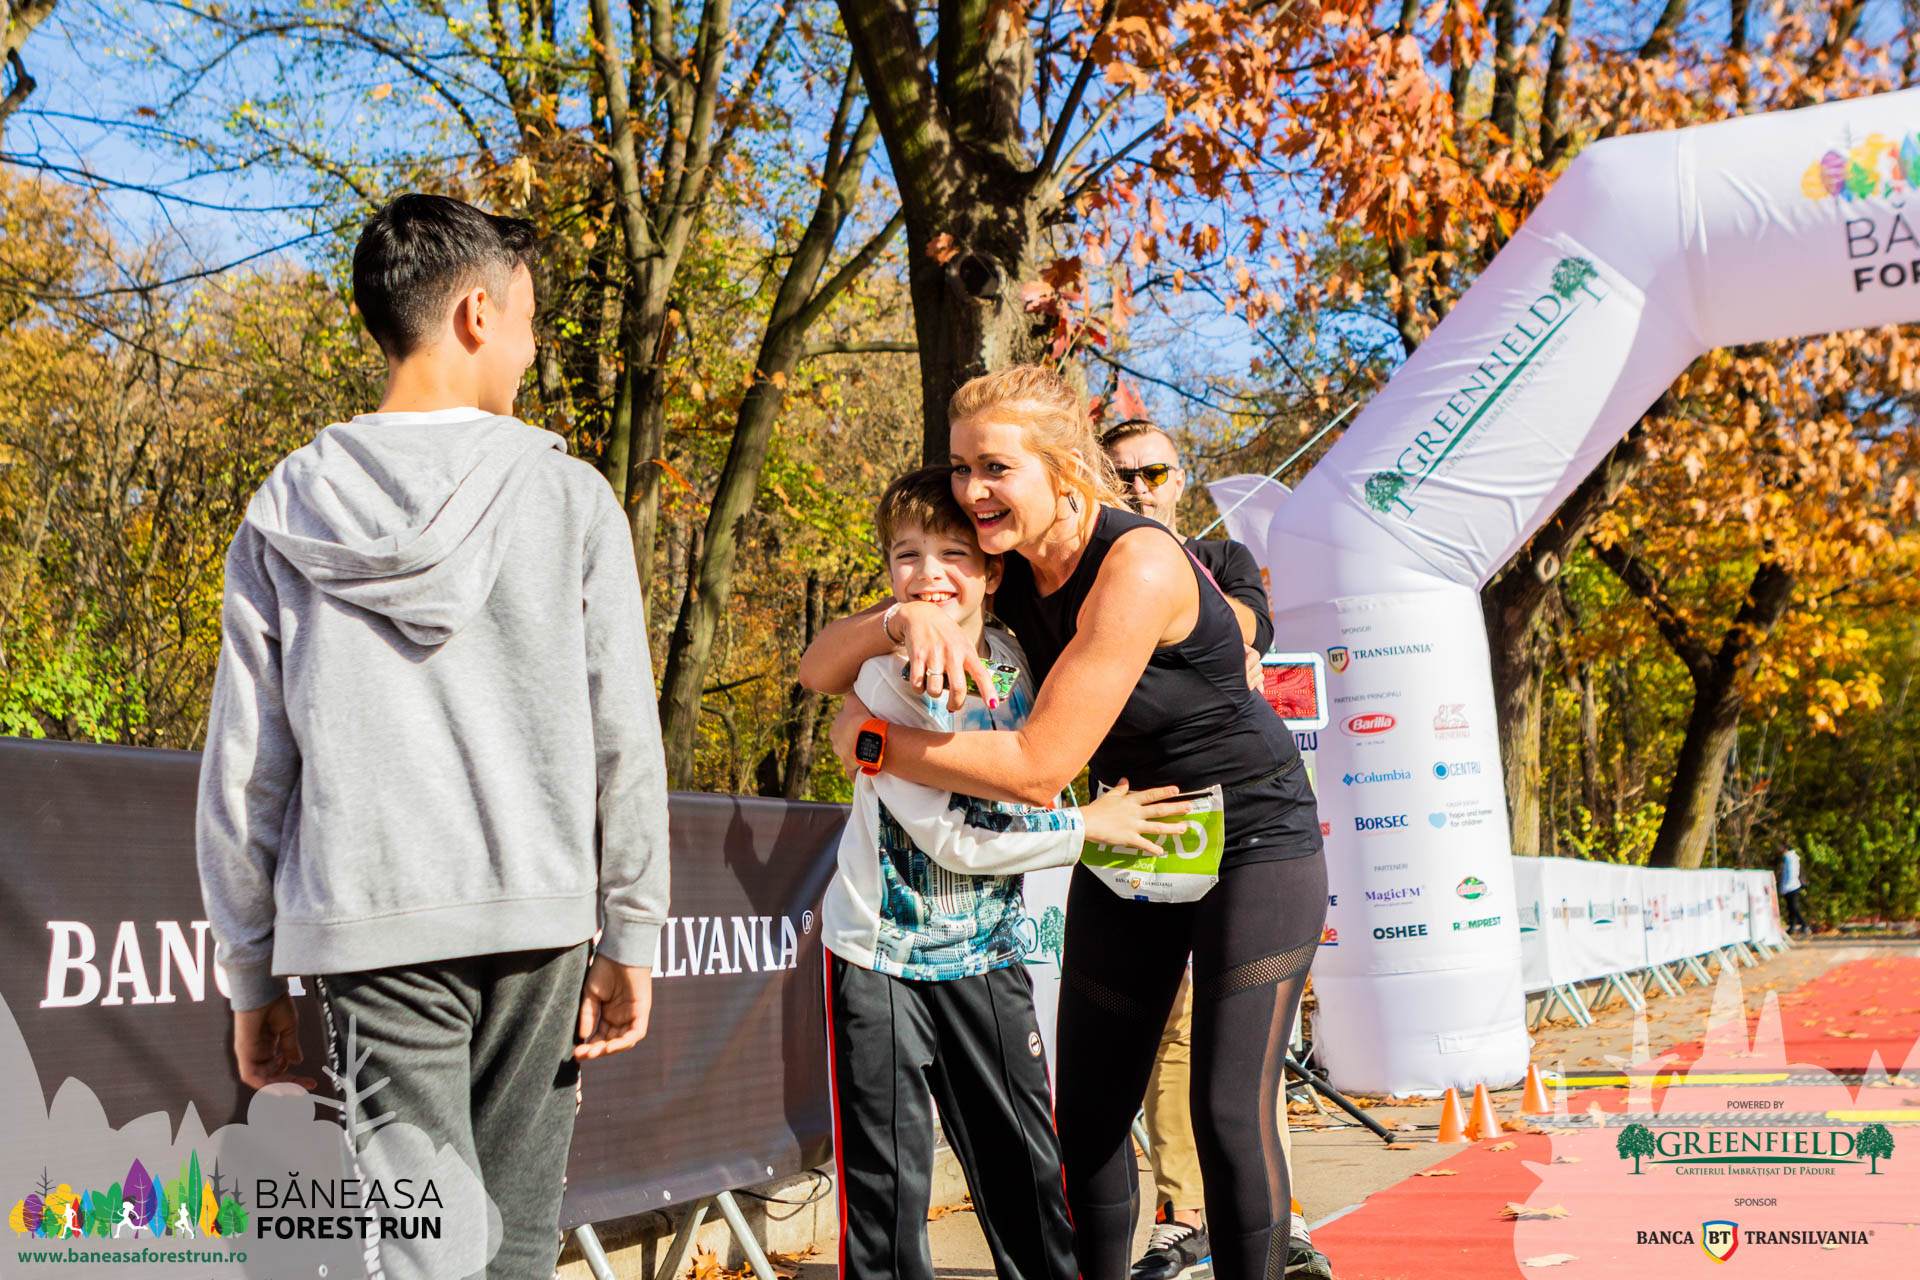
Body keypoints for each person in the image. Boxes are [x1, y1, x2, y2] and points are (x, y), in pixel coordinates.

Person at [196, 192, 669, 1279]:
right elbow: (622, 740)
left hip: (370, 925)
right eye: (529, 318)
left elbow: (245, 772)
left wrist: (250, 975)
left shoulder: (288, 505)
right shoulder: (570, 496)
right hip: (540, 917)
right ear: (472, 314)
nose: (535, 344)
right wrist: (632, 928)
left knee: (422, 1252)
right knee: (509, 1241)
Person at [804, 365, 1327, 1280]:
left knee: (1226, 1111)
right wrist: (898, 621)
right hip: (1132, 838)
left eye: (996, 467)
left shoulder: (1139, 563)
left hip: (1253, 838)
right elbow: (818, 669)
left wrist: (877, 744)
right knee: (1085, 1120)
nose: (972, 491)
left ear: (1066, 474)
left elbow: (1040, 768)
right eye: (962, 466)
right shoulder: (999, 570)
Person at [817, 467, 1187, 1280]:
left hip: (988, 953)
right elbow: (955, 842)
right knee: (884, 1191)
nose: (928, 573)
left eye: (953, 552)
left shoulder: (1018, 658)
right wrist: (1083, 830)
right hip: (879, 958)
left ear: (991, 570)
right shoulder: (886, 680)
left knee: (1025, 1171)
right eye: (907, 555)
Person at [1101, 419, 1333, 1280]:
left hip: (1244, 822)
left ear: (1178, 477)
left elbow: (1240, 635)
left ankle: (1276, 1220)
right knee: (1164, 1027)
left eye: (1152, 471)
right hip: (1145, 815)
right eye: (1119, 474)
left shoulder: (1220, 560)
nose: (1137, 486)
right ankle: (1180, 1212)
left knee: (1241, 1047)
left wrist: (1157, 566)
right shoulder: (1085, 578)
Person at [1779, 841, 1811, 937]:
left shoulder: (1790, 858)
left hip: (1791, 886)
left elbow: (1790, 873)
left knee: (1794, 907)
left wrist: (1785, 887)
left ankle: (1804, 925)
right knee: (1791, 908)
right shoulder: (1790, 857)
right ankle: (1792, 927)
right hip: (1791, 886)